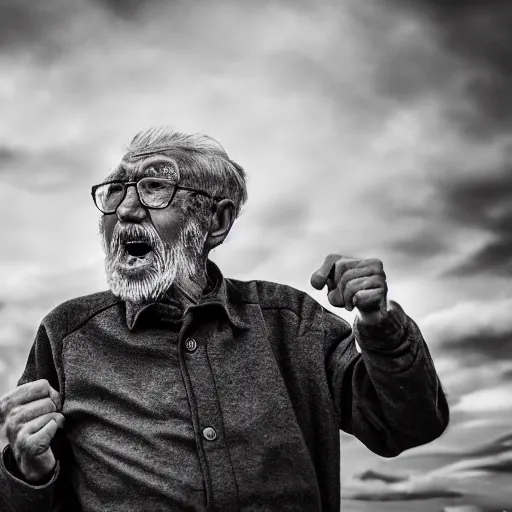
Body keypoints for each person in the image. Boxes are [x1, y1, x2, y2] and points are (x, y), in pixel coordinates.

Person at [0, 128, 449, 512]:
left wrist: (379, 323)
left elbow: (408, 425)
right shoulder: (67, 335)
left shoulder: (292, 324)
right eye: (115, 191)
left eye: (155, 187)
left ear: (217, 221)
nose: (126, 210)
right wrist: (28, 472)